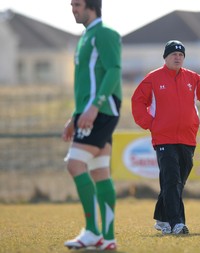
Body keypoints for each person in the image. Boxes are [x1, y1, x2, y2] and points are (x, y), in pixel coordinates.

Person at [131, 40, 200, 235]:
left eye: (181, 54)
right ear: (165, 57)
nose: (177, 57)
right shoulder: (153, 78)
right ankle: (177, 223)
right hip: (163, 139)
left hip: (187, 138)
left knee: (177, 182)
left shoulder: (192, 78)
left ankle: (162, 218)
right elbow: (137, 101)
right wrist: (151, 124)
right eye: (173, 54)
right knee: (171, 180)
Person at [62, 0, 121, 251]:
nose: (73, 9)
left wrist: (95, 107)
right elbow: (85, 84)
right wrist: (75, 117)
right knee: (98, 171)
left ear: (91, 7)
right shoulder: (85, 37)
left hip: (102, 110)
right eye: (71, 4)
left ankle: (93, 232)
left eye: (77, 4)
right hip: (92, 112)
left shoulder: (105, 34)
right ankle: (106, 238)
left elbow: (114, 70)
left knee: (74, 164)